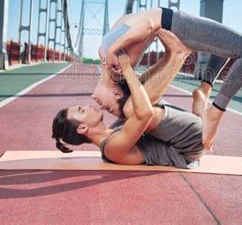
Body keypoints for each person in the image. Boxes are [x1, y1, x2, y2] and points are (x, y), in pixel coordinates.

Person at [95, 7, 242, 149]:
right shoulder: (113, 57)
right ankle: (213, 111)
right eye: (107, 107)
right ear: (117, 94)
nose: (98, 103)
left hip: (175, 21)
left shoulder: (105, 53)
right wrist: (113, 50)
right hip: (178, 25)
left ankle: (205, 92)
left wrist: (110, 51)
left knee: (235, 49)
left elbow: (134, 20)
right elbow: (146, 24)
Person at [52, 44, 206, 169]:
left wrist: (107, 60)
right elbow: (145, 114)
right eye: (81, 110)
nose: (87, 105)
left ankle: (173, 55)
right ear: (82, 128)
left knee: (133, 98)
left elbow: (141, 87)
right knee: (132, 109)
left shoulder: (113, 129)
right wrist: (126, 69)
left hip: (183, 139)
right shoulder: (111, 148)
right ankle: (181, 54)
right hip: (188, 147)